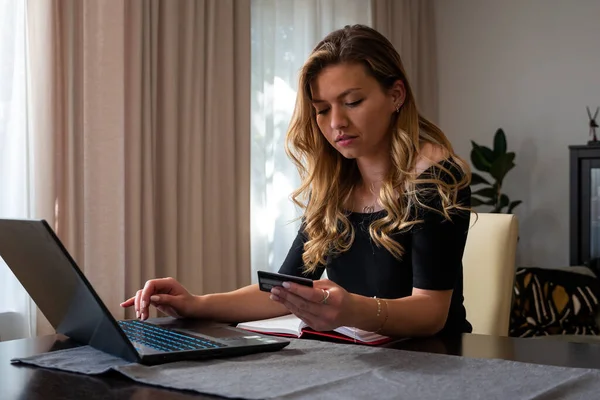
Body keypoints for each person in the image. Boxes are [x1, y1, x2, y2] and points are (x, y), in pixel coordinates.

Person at [121, 24, 473, 337]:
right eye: (321, 110)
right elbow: (285, 289)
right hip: (358, 361)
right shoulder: (336, 182)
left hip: (434, 362)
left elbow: (431, 313)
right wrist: (195, 303)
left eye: (352, 102)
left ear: (396, 95)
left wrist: (350, 310)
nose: (336, 122)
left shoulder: (436, 177)